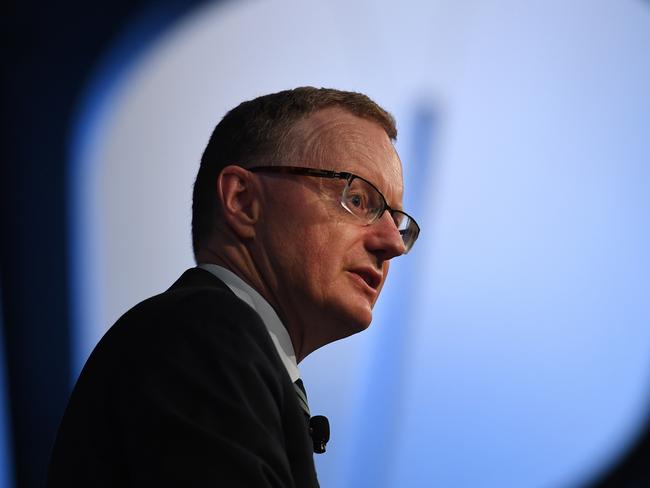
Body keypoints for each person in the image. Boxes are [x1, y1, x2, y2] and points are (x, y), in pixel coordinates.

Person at [47, 87, 420, 487]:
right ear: (242, 201)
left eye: (397, 221)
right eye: (359, 200)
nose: (393, 244)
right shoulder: (200, 332)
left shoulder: (226, 348)